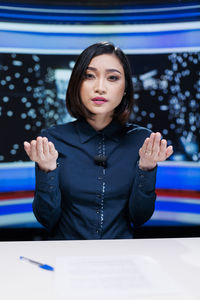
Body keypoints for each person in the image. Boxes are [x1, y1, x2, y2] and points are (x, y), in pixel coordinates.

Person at [24, 41, 173, 240]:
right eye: (89, 76)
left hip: (121, 259)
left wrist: (146, 169)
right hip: (67, 259)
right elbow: (47, 219)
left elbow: (139, 218)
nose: (100, 88)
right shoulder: (52, 139)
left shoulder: (141, 141)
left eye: (112, 78)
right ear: (77, 83)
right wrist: (47, 171)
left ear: (126, 88)